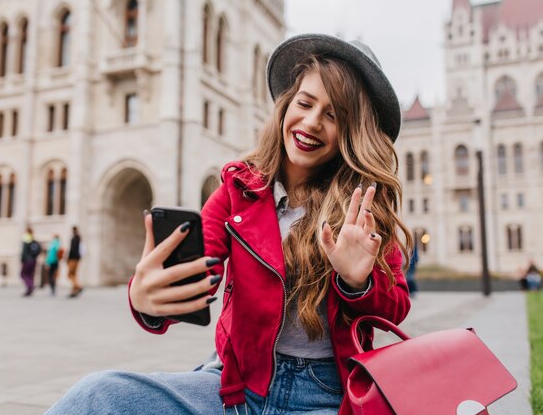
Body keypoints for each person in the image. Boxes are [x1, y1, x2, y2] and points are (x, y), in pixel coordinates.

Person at [46, 33, 412, 415]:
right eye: (304, 103)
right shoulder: (238, 190)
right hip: (235, 388)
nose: (312, 122)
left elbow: (396, 305)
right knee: (97, 395)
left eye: (333, 115)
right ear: (286, 106)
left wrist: (358, 282)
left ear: (352, 134)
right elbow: (193, 272)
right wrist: (147, 301)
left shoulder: (362, 206)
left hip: (324, 394)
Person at [20, 227, 41, 297]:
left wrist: (22, 260)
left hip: (27, 260)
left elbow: (24, 251)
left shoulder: (26, 239)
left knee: (23, 274)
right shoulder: (33, 240)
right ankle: (29, 290)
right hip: (33, 260)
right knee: (30, 275)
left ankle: (30, 285)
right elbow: (38, 250)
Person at [67, 226, 83, 298]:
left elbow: (72, 250)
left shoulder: (74, 239)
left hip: (73, 258)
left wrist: (68, 258)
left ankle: (77, 286)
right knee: (74, 274)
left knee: (70, 274)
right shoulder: (79, 238)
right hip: (77, 258)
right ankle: (74, 289)